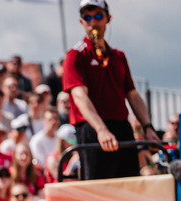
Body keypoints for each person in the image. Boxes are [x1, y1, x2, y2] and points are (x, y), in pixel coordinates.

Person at [62, 0, 158, 180]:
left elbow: (132, 94)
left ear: (108, 18)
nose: (93, 22)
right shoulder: (76, 55)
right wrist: (101, 129)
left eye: (98, 16)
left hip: (121, 126)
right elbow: (79, 95)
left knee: (129, 183)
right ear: (81, 21)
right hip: (92, 129)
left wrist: (148, 127)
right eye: (87, 17)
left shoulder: (118, 56)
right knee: (99, 187)